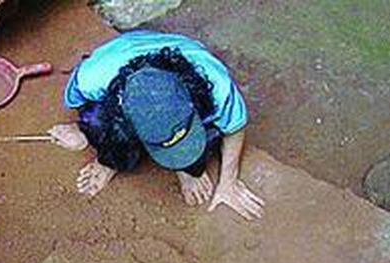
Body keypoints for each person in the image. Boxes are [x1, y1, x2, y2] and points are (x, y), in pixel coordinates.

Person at [48, 30, 265, 220]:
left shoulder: (216, 85)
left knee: (212, 132)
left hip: (178, 71)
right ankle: (110, 162)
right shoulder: (92, 78)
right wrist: (81, 130)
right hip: (122, 62)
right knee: (98, 124)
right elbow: (80, 103)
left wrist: (228, 182)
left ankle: (186, 162)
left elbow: (235, 127)